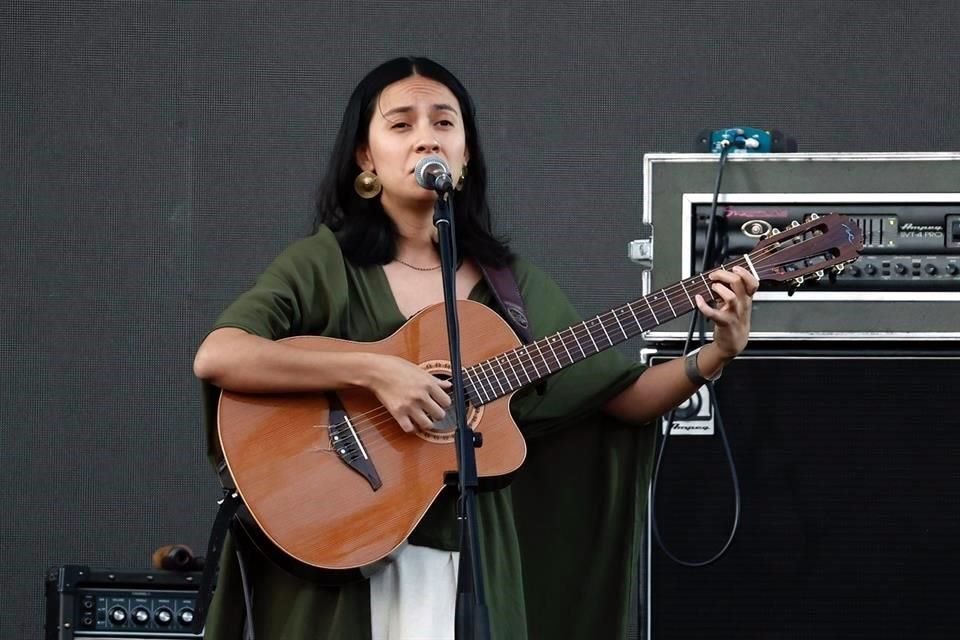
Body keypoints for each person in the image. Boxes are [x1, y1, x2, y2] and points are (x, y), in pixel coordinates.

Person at [193, 56, 758, 640]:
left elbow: (617, 398)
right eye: (401, 124)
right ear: (365, 157)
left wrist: (716, 353)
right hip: (346, 552)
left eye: (443, 123)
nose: (425, 139)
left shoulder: (508, 283)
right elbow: (220, 355)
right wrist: (375, 371)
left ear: (464, 154)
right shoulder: (323, 264)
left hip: (473, 556)